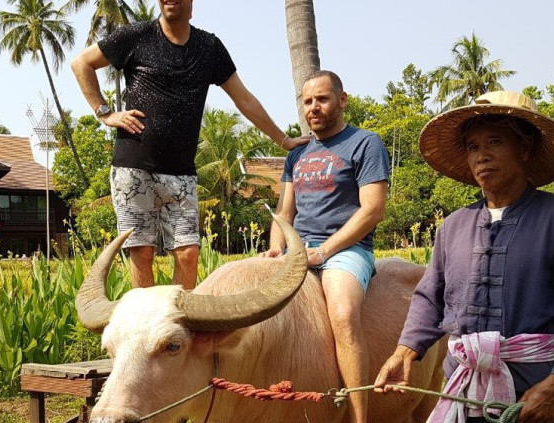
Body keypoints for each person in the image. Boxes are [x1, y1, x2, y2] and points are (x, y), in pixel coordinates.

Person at [373, 91, 554, 423]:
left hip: (532, 392)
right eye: (473, 147)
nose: (482, 156)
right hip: (462, 388)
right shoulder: (454, 226)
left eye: (495, 142)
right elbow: (430, 298)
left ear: (525, 149)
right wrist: (405, 352)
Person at [71, 0, 307, 290]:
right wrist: (106, 113)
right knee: (142, 253)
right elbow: (81, 63)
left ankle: (181, 317)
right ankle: (148, 319)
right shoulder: (136, 36)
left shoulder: (209, 47)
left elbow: (244, 99)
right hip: (134, 168)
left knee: (188, 253)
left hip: (181, 171)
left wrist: (283, 139)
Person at [263, 70, 390, 423]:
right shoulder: (297, 154)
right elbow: (284, 212)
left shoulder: (365, 143)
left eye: (322, 98)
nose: (313, 108)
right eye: (307, 101)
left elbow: (373, 210)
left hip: (346, 251)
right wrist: (275, 248)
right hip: (297, 250)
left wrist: (324, 251)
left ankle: (358, 417)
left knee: (343, 315)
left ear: (342, 100)